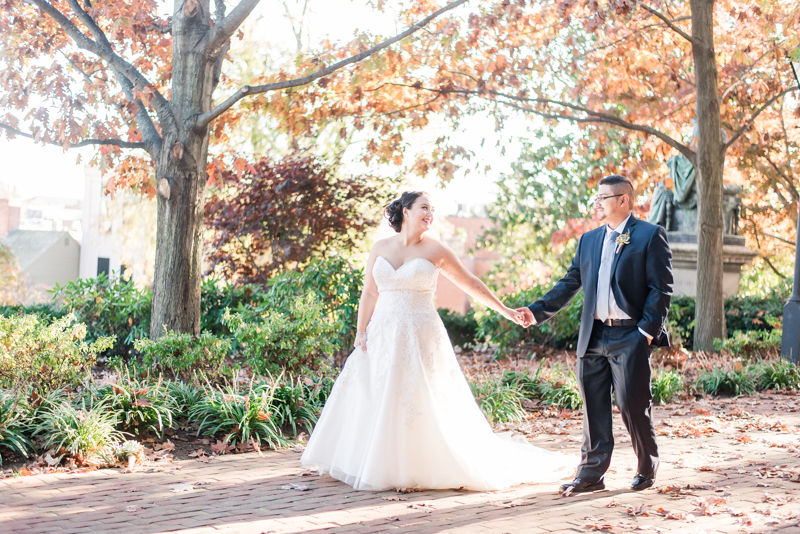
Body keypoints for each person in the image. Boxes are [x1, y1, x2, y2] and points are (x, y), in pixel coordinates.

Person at [301, 191, 575, 491]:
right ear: (406, 211)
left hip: (421, 333)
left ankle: (416, 467)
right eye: (424, 207)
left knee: (416, 396)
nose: (430, 213)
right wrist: (361, 331)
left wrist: (506, 311)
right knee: (378, 392)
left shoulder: (437, 250)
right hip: (382, 331)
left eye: (433, 208)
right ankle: (377, 462)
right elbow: (369, 292)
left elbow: (471, 283)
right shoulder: (380, 247)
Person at [516, 175, 673, 494]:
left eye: (603, 198)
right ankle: (591, 474)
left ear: (623, 200)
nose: (597, 203)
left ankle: (647, 463)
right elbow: (570, 281)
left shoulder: (649, 235)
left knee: (632, 403)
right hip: (593, 335)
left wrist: (645, 331)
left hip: (631, 334)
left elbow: (661, 288)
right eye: (596, 198)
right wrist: (536, 311)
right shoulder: (589, 240)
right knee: (594, 406)